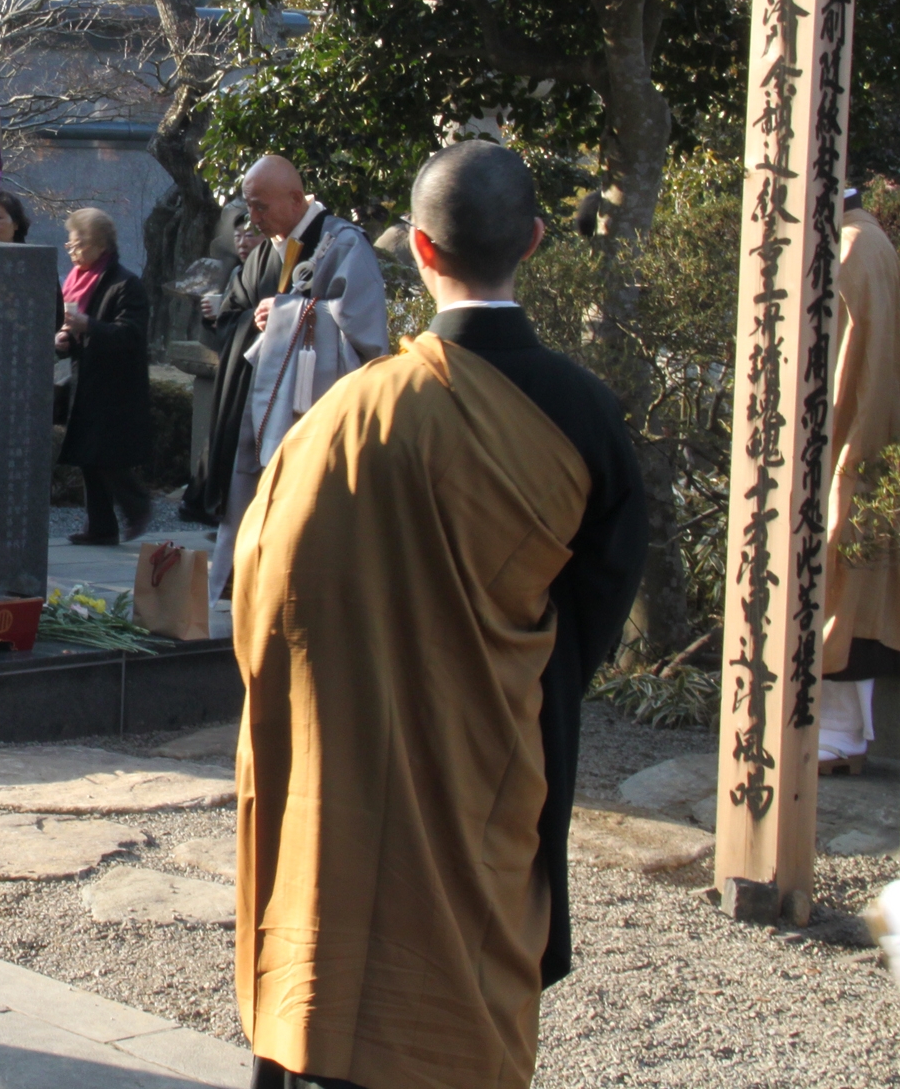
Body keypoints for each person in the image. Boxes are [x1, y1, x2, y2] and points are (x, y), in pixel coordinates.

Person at [232, 141, 646, 1089]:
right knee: (462, 993)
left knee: (332, 955)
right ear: (534, 242)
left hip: (347, 764)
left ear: (417, 248)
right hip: (492, 762)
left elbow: (263, 596)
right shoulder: (587, 417)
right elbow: (589, 620)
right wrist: (484, 678)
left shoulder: (346, 415)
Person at [194, 155, 387, 601]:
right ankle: (240, 586)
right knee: (247, 490)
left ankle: (299, 590)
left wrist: (290, 315)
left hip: (310, 407)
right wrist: (258, 321)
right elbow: (232, 316)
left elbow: (364, 333)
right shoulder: (263, 254)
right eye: (249, 207)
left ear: (297, 198)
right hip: (253, 405)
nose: (253, 219)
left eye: (261, 207)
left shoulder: (341, 244)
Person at [819, 185, 900, 773]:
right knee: (853, 585)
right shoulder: (869, 239)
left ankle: (836, 739)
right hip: (868, 436)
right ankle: (841, 736)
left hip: (848, 437)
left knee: (838, 587)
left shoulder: (847, 250)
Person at [54, 207, 153, 547]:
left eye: (78, 244)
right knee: (87, 457)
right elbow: (72, 334)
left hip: (116, 387)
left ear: (100, 246)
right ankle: (100, 526)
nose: (72, 250)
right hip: (86, 383)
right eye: (70, 245)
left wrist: (88, 326)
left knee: (106, 457)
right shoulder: (76, 282)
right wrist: (64, 341)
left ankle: (138, 507)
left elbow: (131, 335)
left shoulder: (126, 284)